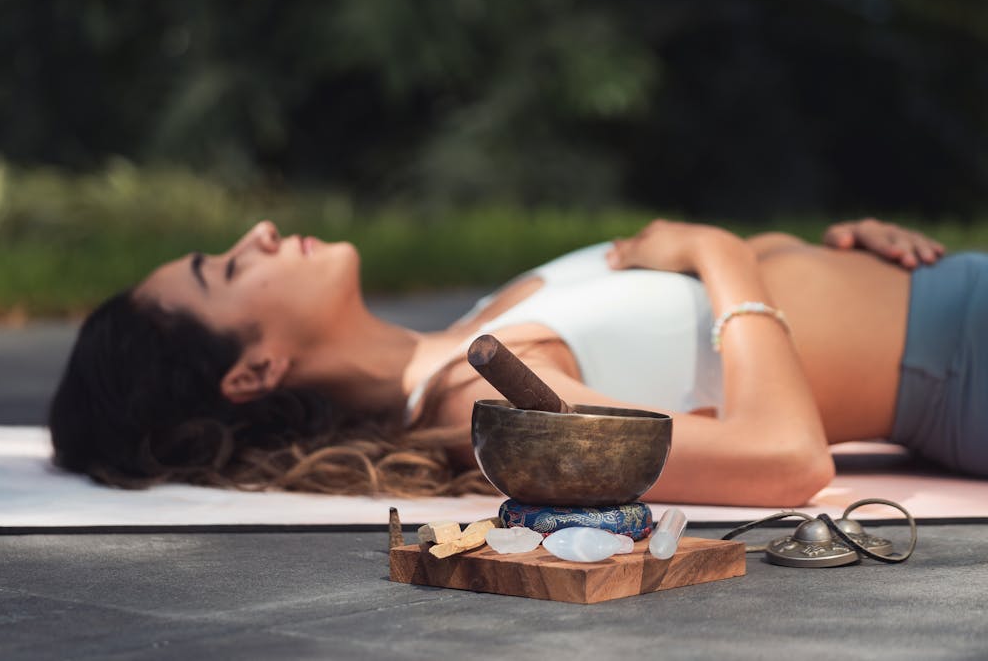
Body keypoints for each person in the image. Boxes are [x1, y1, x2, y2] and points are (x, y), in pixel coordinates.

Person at [49, 217, 986, 506]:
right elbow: (787, 461)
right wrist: (723, 253)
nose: (254, 235)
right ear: (250, 372)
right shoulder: (480, 406)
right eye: (225, 270)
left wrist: (816, 248)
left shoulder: (471, 329)